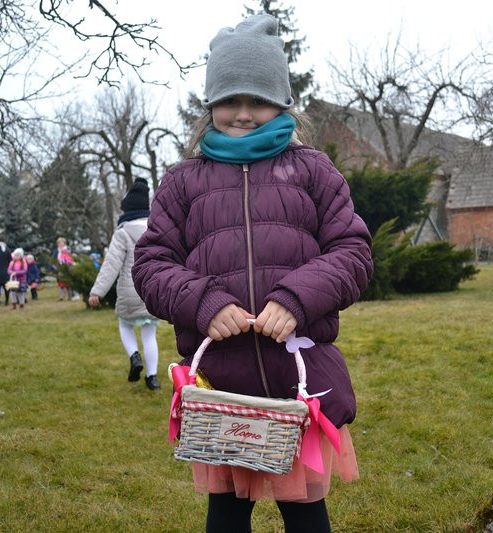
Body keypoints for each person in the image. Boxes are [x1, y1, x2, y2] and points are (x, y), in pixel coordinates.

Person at [131, 15, 372, 533]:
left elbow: (353, 252)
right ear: (210, 105)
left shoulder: (312, 170)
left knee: (307, 516)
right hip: (222, 386)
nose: (242, 113)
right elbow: (151, 266)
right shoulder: (182, 183)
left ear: (282, 103)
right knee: (226, 517)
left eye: (257, 100)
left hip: (298, 381)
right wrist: (204, 304)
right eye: (229, 100)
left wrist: (297, 298)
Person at [89, 178, 161, 389]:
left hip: (129, 292)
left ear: (127, 209)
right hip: (150, 291)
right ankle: (152, 378)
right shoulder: (154, 229)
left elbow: (111, 265)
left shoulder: (122, 233)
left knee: (125, 324)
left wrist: (98, 291)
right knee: (150, 335)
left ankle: (134, 356)